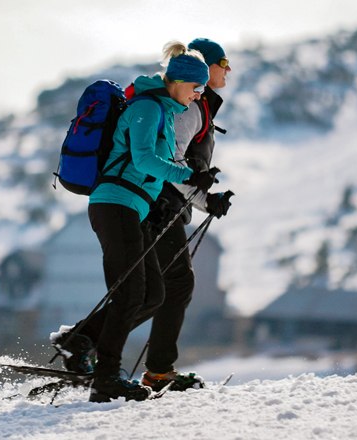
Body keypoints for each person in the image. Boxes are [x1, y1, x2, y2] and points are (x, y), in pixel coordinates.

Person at [51, 41, 218, 403]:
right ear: (178, 82)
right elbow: (143, 160)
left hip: (132, 209)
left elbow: (158, 165)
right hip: (115, 204)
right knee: (130, 293)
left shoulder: (164, 109)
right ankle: (106, 378)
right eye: (196, 87)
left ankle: (79, 340)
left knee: (154, 294)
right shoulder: (147, 107)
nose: (198, 95)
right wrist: (189, 173)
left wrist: (198, 186)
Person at [140, 38, 234, 392]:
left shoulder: (198, 106)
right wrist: (204, 199)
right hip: (159, 204)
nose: (228, 70)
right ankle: (156, 371)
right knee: (172, 285)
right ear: (207, 67)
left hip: (165, 203)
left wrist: (205, 199)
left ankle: (85, 343)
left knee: (155, 288)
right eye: (223, 62)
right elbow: (173, 163)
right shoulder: (190, 109)